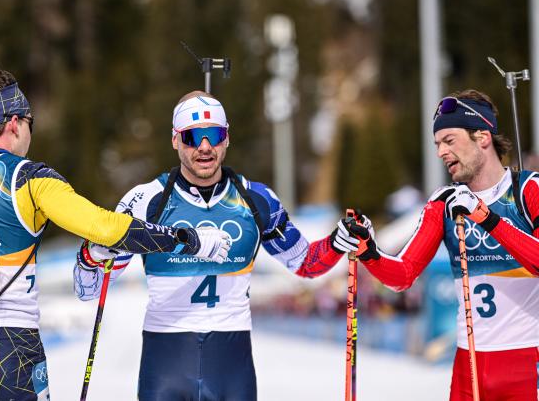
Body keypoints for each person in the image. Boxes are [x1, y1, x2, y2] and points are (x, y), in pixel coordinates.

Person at [0, 67, 231, 401]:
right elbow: (106, 228)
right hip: (11, 349)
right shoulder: (30, 179)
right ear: (14, 122)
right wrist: (189, 238)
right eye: (30, 121)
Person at [73, 90, 359, 401]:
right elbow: (88, 290)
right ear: (175, 140)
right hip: (165, 358)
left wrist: (336, 243)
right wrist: (93, 256)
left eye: (214, 135)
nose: (205, 147)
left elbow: (305, 263)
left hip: (231, 360)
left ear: (227, 139)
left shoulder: (256, 200)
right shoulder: (145, 202)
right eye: (193, 137)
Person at [338, 89, 539, 400]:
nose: (441, 152)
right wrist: (369, 251)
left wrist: (488, 219)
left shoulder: (527, 191)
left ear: (482, 137)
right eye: (437, 144)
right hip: (468, 366)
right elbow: (404, 274)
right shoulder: (443, 204)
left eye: (449, 140)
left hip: (526, 363)